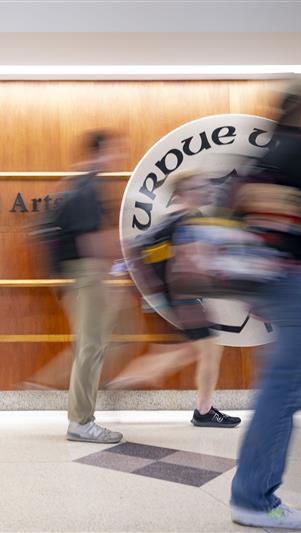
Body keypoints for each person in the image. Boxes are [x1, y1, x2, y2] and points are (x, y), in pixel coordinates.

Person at [229, 84, 301, 530]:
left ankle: (253, 492)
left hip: (269, 276)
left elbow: (239, 221)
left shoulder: (262, 154)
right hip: (294, 276)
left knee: (291, 380)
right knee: (288, 385)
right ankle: (255, 498)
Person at [106, 173, 241, 429]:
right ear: (182, 192)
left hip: (168, 299)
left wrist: (155, 294)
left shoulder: (170, 220)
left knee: (188, 349)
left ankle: (131, 381)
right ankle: (202, 409)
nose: (204, 189)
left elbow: (136, 251)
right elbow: (191, 260)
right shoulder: (187, 219)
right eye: (197, 186)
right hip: (183, 298)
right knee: (205, 349)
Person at [54, 131, 125, 444]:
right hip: (88, 273)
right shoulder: (88, 187)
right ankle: (82, 422)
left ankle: (81, 419)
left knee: (89, 347)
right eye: (116, 150)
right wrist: (118, 257)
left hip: (81, 274)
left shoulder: (80, 184)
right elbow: (89, 240)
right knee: (91, 347)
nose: (119, 156)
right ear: (102, 151)